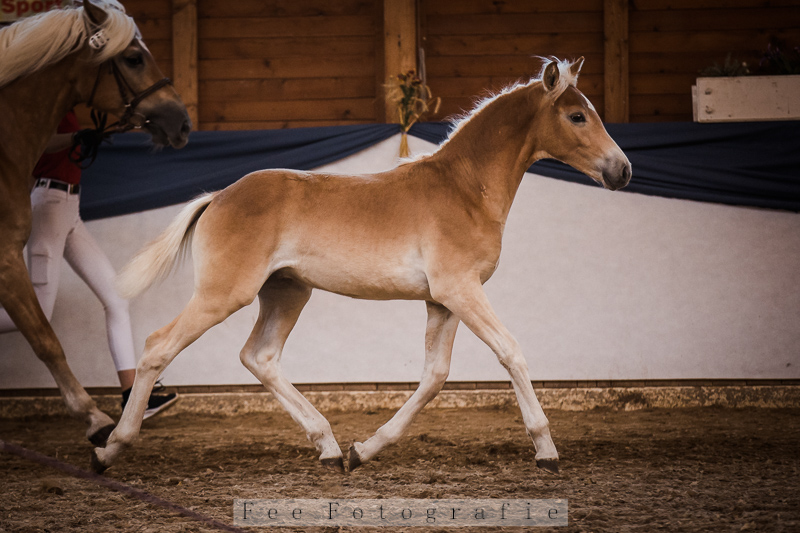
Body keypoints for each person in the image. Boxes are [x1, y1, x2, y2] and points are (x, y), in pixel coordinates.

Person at [0, 109, 178, 419]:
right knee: (37, 313)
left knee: (117, 297)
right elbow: (39, 143)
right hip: (49, 206)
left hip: (70, 207)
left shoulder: (64, 103)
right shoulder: (42, 100)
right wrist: (77, 137)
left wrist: (120, 125)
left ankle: (133, 397)